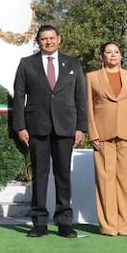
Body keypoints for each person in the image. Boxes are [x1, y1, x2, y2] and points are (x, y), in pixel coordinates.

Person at [11, 24, 88, 238]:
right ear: (38, 41)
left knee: (63, 176)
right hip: (37, 127)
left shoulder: (72, 64)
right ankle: (39, 222)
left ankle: (64, 221)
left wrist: (81, 127)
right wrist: (20, 126)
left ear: (59, 39)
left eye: (52, 38)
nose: (48, 42)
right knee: (40, 176)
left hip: (66, 127)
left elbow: (80, 97)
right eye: (44, 38)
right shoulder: (27, 64)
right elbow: (19, 97)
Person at [86, 42, 127, 236]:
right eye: (108, 52)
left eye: (116, 52)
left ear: (121, 56)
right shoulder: (92, 77)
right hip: (103, 135)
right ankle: (108, 225)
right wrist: (93, 133)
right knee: (105, 180)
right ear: (102, 56)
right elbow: (89, 108)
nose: (113, 55)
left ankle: (126, 225)